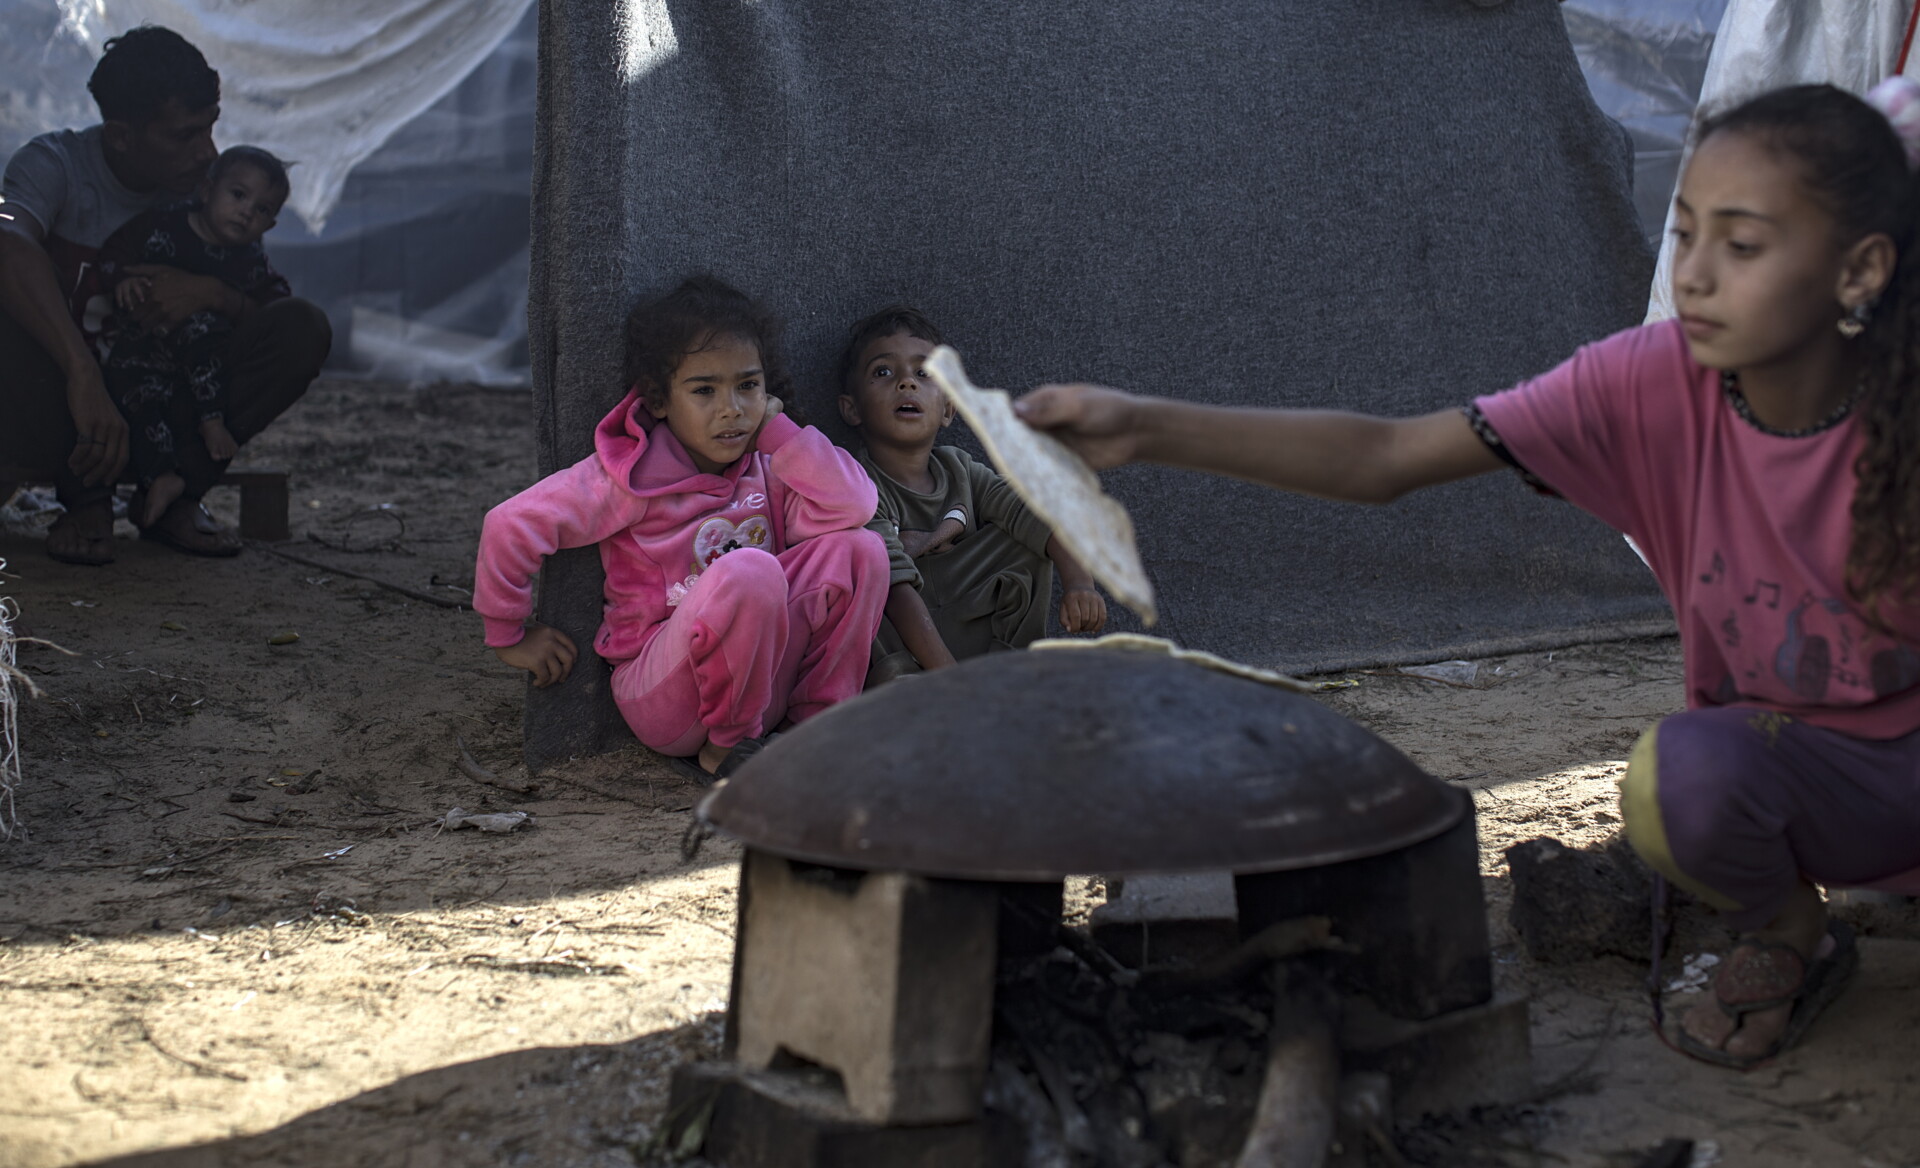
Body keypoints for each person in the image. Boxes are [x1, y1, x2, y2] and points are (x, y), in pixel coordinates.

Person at [1014, 82, 1920, 1069]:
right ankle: (1788, 927)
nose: (1692, 277)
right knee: (1682, 777)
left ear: (1859, 268)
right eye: (1686, 233)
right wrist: (1143, 426)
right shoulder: (1647, 385)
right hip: (1800, 775)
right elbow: (1388, 455)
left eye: (1741, 247)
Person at [474, 276, 889, 778]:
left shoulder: (770, 464)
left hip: (761, 681)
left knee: (862, 550)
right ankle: (726, 751)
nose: (731, 408)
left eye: (748, 386)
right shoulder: (628, 478)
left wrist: (779, 433)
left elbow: (857, 504)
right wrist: (509, 635)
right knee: (751, 572)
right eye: (704, 390)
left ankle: (816, 728)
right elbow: (510, 524)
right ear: (659, 401)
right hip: (666, 692)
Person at [0, 26, 330, 565]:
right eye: (184, 136)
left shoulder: (211, 196)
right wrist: (81, 371)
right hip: (60, 412)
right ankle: (86, 500)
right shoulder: (54, 166)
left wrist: (213, 294)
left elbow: (269, 314)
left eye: (210, 130)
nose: (208, 153)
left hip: (171, 411)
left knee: (303, 327)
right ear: (122, 136)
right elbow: (7, 237)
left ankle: (178, 492)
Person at [838, 306, 1106, 680]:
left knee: (1025, 540)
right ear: (852, 409)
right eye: (883, 372)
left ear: (948, 408)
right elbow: (896, 591)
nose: (906, 383)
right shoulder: (854, 483)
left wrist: (1080, 584)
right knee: (864, 580)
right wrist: (949, 680)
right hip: (905, 655)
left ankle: (1013, 672)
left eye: (924, 373)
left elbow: (1036, 515)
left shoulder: (959, 469)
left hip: (971, 632)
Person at [99, 145, 295, 538]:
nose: (246, 212)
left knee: (203, 329)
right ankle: (163, 478)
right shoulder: (161, 226)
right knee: (136, 398)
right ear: (206, 191)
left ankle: (210, 422)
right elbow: (115, 254)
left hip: (203, 375)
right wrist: (123, 280)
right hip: (143, 355)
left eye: (262, 210)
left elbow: (277, 304)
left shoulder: (248, 260)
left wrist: (228, 300)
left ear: (270, 226)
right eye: (238, 195)